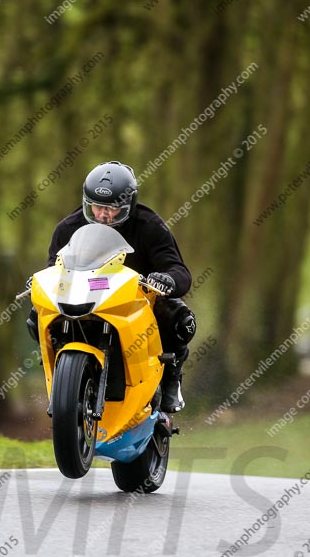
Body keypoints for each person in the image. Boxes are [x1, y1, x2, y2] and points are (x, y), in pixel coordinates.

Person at [27, 160, 196, 413]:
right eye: (97, 206)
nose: (104, 214)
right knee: (36, 316)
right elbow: (54, 268)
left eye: (113, 209)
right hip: (81, 297)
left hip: (136, 301)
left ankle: (171, 375)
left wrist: (167, 279)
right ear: (87, 202)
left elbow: (179, 271)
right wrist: (43, 280)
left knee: (180, 318)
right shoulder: (67, 228)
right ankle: (59, 369)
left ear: (129, 204)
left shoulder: (151, 226)